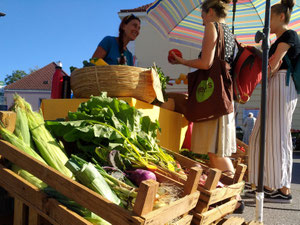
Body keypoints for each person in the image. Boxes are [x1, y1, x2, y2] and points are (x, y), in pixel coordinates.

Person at [169, 0, 236, 176]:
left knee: (216, 153)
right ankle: (231, 194)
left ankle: (235, 197)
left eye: (203, 16)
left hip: (212, 95)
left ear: (211, 11)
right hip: (224, 94)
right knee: (216, 151)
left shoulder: (212, 27)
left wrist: (182, 61)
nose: (202, 20)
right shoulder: (230, 33)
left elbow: (206, 63)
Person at [246, 0, 300, 203]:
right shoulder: (279, 39)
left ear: (281, 17)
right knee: (261, 136)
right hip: (275, 86)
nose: (267, 21)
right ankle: (265, 184)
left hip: (282, 85)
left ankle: (282, 188)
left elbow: (275, 65)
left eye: (270, 16)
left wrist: (255, 75)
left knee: (277, 137)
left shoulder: (289, 35)